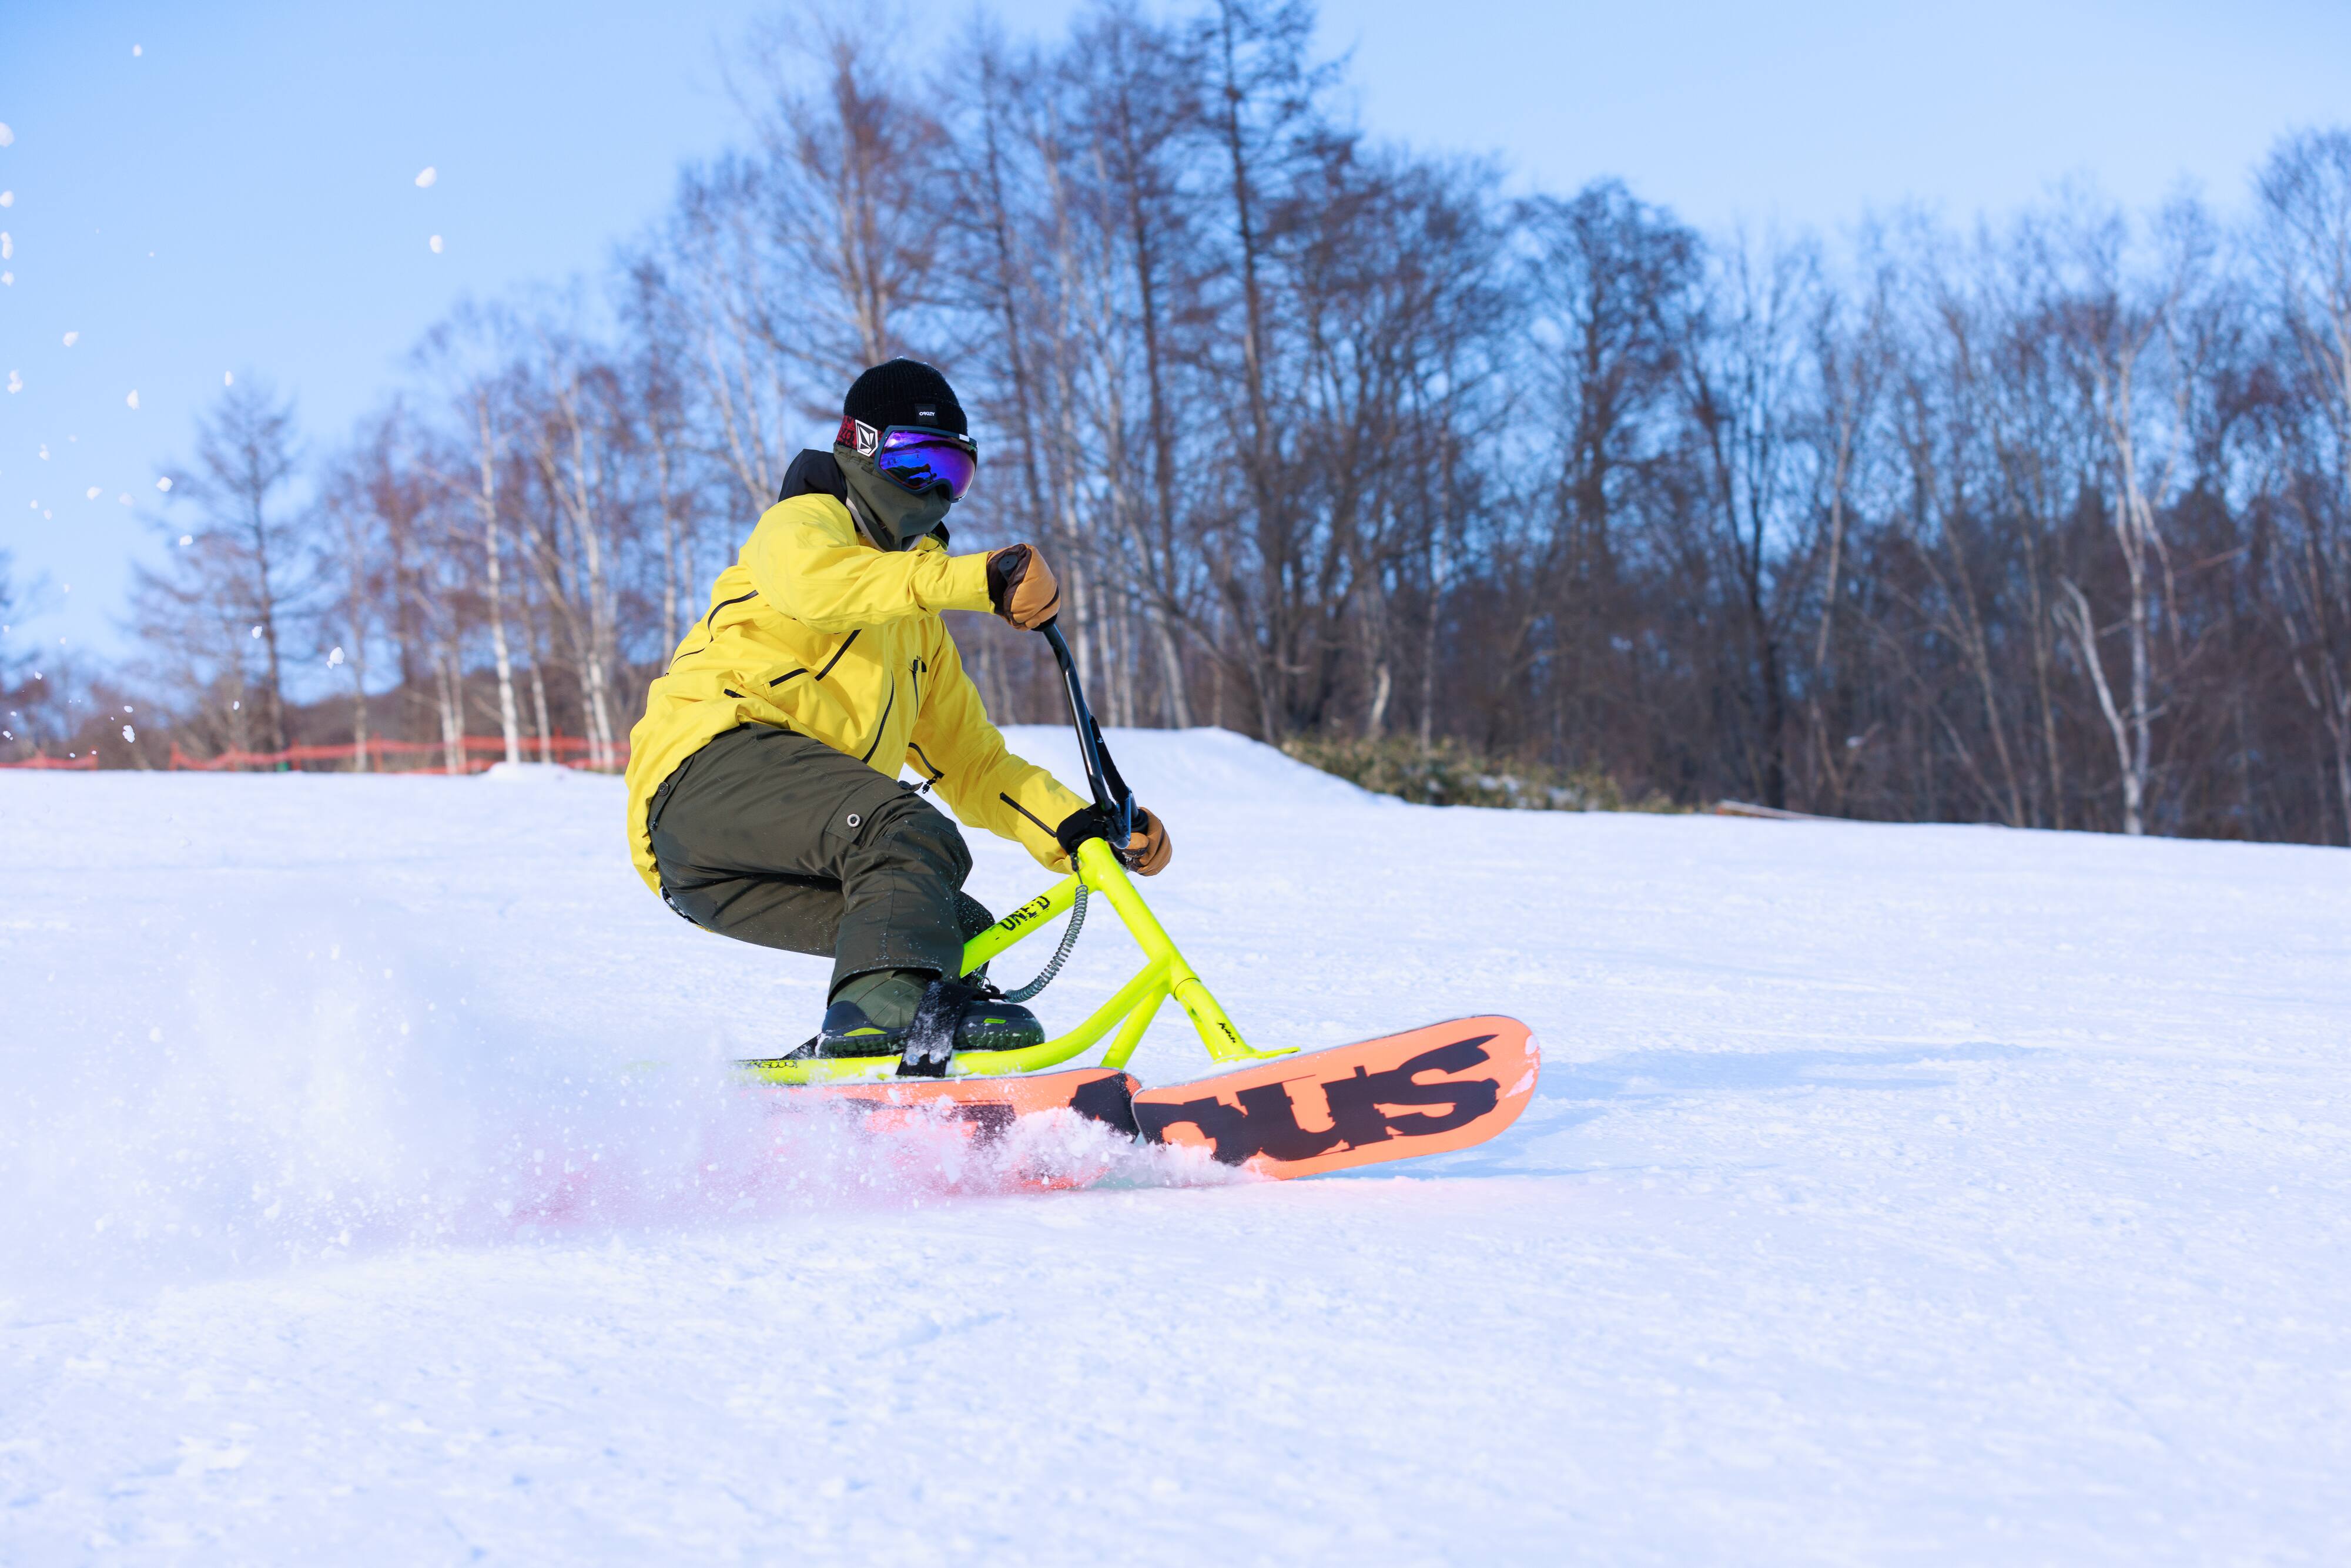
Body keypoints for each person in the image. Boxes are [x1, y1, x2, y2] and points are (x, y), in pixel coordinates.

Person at [622, 358, 1171, 1072]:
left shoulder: (918, 633)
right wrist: (977, 578)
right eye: (919, 464)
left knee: (947, 923)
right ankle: (880, 1017)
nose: (936, 492)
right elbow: (822, 587)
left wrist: (1079, 827)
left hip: (739, 871)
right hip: (703, 781)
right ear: (861, 448)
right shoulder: (801, 525)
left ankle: (910, 1080)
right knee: (903, 830)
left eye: (955, 474)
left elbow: (975, 764)